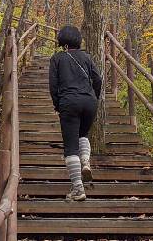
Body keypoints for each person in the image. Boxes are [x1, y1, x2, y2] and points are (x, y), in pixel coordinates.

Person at [48, 25, 103, 201]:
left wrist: (58, 104)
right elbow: (98, 79)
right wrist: (94, 97)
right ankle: (85, 161)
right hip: (89, 102)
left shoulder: (57, 59)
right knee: (83, 134)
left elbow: (53, 86)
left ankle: (78, 189)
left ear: (62, 42)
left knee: (71, 147)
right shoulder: (86, 57)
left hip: (69, 102)